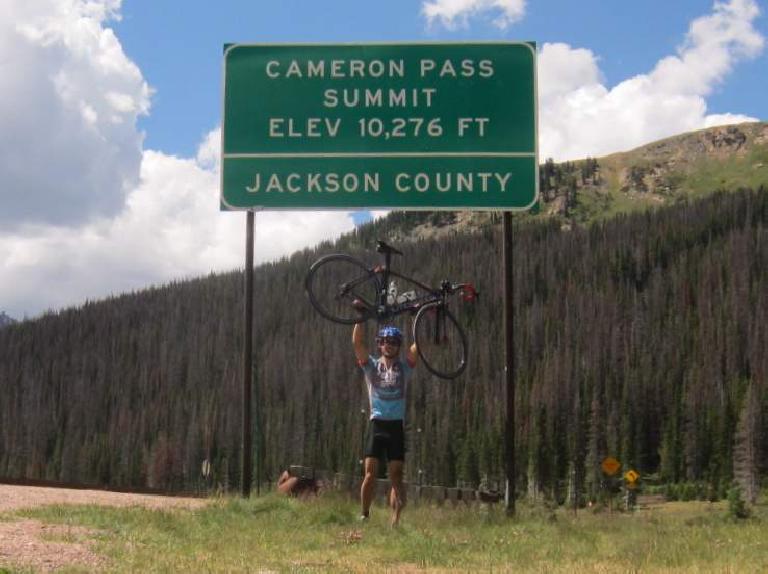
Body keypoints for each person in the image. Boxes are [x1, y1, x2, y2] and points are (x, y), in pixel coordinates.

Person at [353, 323, 418, 527]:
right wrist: (360, 318)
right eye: (385, 342)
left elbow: (418, 347)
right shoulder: (371, 365)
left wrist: (424, 317)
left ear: (398, 346)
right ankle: (364, 514)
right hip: (377, 424)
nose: (389, 345)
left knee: (396, 477)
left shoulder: (405, 368)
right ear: (379, 344)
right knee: (370, 474)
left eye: (393, 342)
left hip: (396, 426)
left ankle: (395, 521)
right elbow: (357, 342)